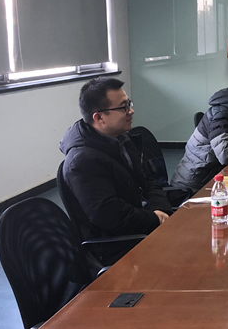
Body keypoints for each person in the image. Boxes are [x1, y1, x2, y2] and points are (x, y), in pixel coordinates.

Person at [59, 78, 173, 260]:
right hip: (119, 246)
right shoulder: (82, 162)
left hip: (144, 227)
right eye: (123, 107)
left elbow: (149, 181)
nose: (131, 111)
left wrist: (162, 210)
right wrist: (154, 219)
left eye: (129, 104)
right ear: (99, 117)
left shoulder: (121, 139)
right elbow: (110, 216)